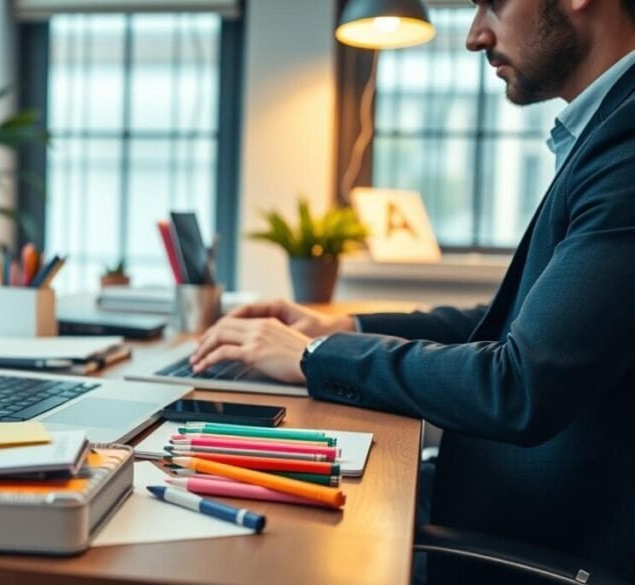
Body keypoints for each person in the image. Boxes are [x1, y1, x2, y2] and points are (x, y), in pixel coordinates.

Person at [191, 0, 635, 582]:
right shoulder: (604, 129)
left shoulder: (624, 144)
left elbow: (519, 384)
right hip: (501, 508)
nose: (475, 36)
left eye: (493, 5)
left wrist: (313, 358)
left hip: (536, 542)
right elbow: (514, 322)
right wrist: (341, 330)